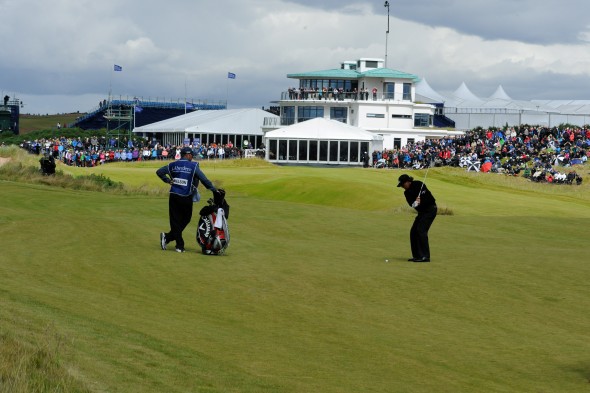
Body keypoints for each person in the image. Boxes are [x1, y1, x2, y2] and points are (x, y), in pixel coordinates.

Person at [156, 146, 218, 253]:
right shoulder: (193, 166)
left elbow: (159, 172)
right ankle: (179, 245)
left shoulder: (172, 165)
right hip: (186, 196)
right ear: (188, 155)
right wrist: (214, 190)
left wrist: (167, 180)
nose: (192, 157)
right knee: (186, 218)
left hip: (174, 195)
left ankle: (168, 237)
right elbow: (204, 179)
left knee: (175, 220)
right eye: (192, 155)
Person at [397, 173, 437, 262]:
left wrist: (420, 200)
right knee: (413, 232)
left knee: (421, 230)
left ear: (408, 182)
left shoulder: (418, 184)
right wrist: (414, 203)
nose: (402, 187)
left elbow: (427, 198)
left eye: (403, 184)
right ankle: (417, 256)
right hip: (422, 212)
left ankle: (425, 256)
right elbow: (412, 204)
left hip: (430, 209)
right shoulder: (406, 193)